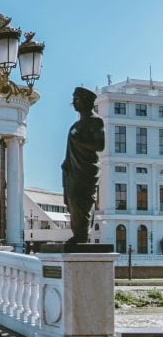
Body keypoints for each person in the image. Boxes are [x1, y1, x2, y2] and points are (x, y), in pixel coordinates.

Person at [62, 87, 105, 245]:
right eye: (73, 98)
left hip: (87, 169)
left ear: (86, 101)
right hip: (72, 169)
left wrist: (77, 139)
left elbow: (99, 145)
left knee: (82, 201)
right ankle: (78, 235)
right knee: (73, 200)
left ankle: (82, 236)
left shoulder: (96, 121)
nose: (73, 102)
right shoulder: (75, 125)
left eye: (77, 98)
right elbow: (69, 150)